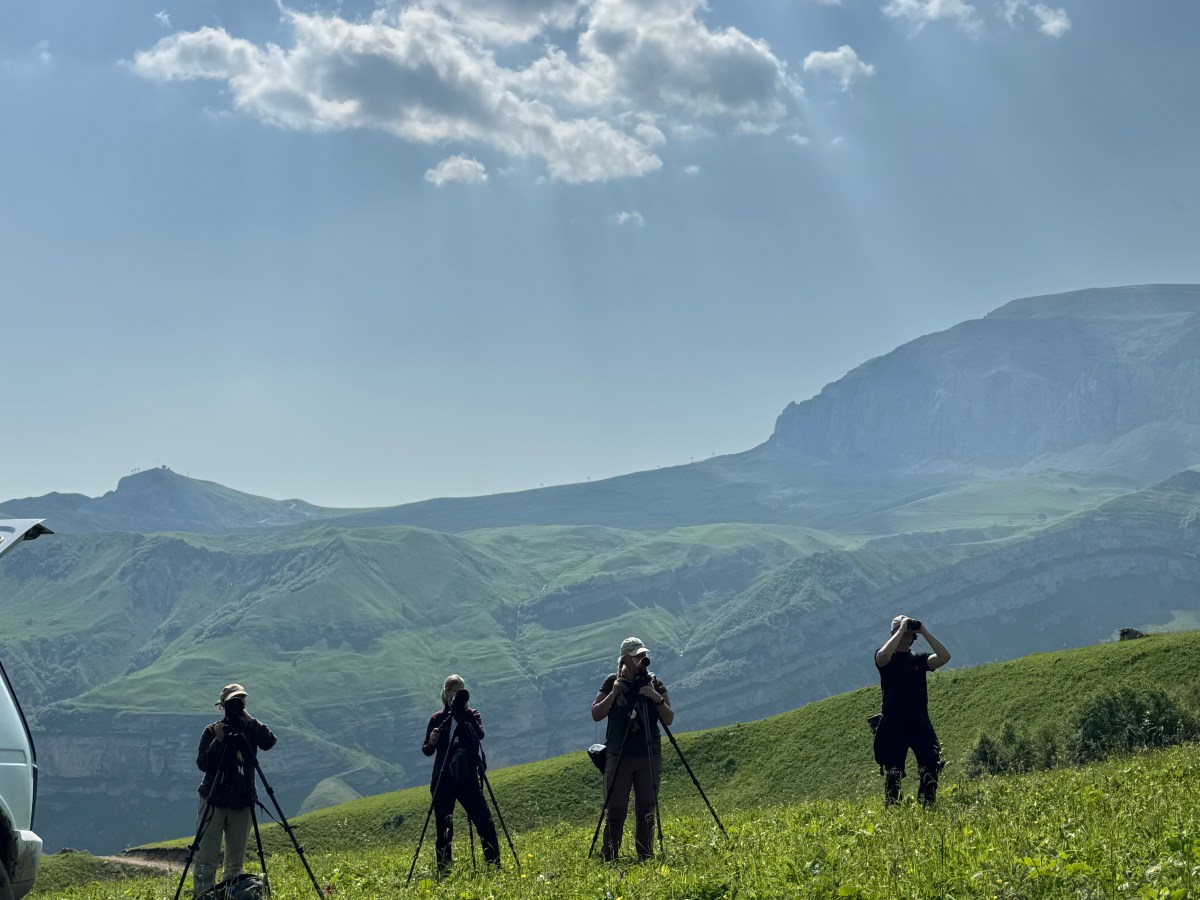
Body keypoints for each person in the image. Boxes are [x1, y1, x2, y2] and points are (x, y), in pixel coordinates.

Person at [590, 636, 674, 861]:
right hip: (619, 754)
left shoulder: (653, 682)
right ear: (625, 659)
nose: (642, 660)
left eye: (644, 656)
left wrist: (655, 698)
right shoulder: (612, 681)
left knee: (647, 807)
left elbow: (669, 718)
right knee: (616, 808)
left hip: (648, 753)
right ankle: (609, 856)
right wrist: (615, 692)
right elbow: (596, 713)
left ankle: (645, 856)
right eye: (637, 656)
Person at [193, 683, 278, 898]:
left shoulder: (249, 728)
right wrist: (219, 741)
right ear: (222, 705)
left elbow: (269, 742)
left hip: (242, 800)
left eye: (240, 701)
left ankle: (229, 894)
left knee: (235, 859)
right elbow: (203, 763)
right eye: (232, 702)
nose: (236, 705)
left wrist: (248, 719)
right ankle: (203, 896)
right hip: (213, 800)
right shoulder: (212, 731)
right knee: (206, 855)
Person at [421, 674, 499, 873]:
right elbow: (427, 750)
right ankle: (444, 867)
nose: (459, 696)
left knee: (484, 821)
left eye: (462, 691)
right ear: (446, 695)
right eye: (455, 692)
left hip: (467, 779)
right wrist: (432, 740)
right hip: (443, 779)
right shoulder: (438, 719)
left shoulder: (472, 714)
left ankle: (493, 863)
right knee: (444, 829)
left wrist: (465, 715)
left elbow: (480, 734)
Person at [873, 616, 951, 806]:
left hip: (919, 723)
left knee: (930, 765)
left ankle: (927, 803)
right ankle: (892, 807)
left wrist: (923, 630)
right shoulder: (886, 660)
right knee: (894, 771)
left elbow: (944, 657)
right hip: (894, 724)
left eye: (909, 634)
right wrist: (901, 630)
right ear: (893, 633)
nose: (906, 637)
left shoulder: (919, 660)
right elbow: (882, 657)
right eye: (902, 633)